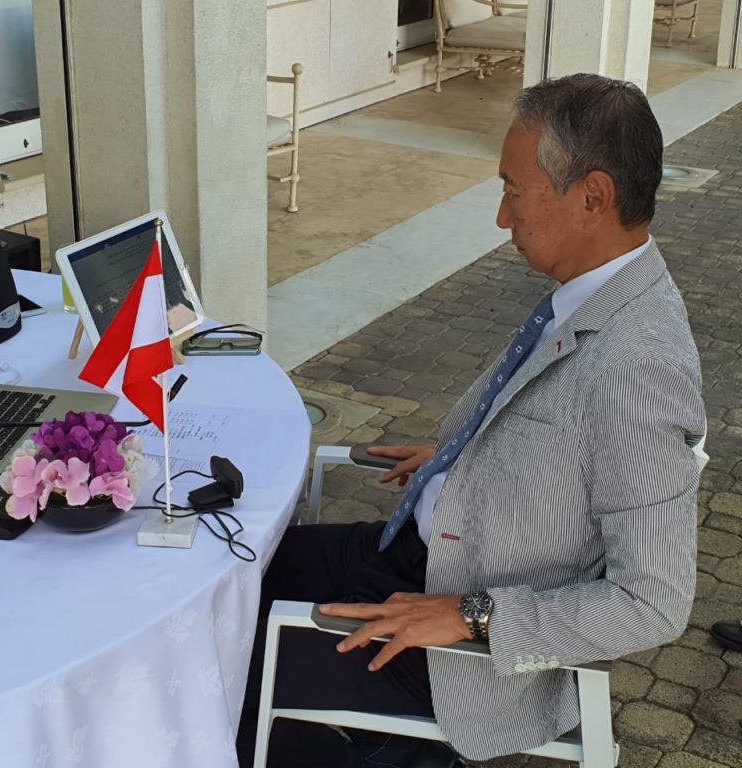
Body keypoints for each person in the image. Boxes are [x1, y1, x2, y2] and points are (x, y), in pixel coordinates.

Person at [237, 73, 707, 768]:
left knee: (218, 662)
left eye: (514, 191)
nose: (501, 217)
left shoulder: (638, 364)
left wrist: (469, 615)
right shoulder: (595, 292)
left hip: (450, 644)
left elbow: (654, 601)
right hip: (410, 553)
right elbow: (566, 440)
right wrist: (468, 455)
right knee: (242, 565)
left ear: (594, 196)